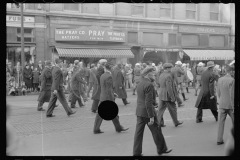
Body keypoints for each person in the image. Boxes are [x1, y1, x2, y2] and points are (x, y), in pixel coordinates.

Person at [133, 66, 172, 156]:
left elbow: (142, 98)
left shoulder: (140, 83)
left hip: (139, 111)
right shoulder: (149, 84)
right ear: (148, 74)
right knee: (156, 130)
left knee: (138, 133)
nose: (154, 75)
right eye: (153, 73)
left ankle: (136, 152)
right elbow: (148, 102)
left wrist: (154, 103)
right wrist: (151, 116)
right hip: (147, 112)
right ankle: (161, 149)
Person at [93, 61, 129, 134]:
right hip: (108, 97)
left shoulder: (102, 75)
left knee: (101, 114)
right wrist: (111, 98)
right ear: (111, 68)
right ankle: (118, 128)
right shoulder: (109, 76)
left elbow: (104, 87)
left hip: (103, 96)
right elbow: (109, 89)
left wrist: (113, 93)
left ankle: (96, 129)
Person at [157, 63, 184, 127]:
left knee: (160, 110)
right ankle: (176, 122)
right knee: (173, 109)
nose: (171, 69)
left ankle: (159, 123)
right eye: (170, 68)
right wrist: (172, 97)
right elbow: (169, 88)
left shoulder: (161, 74)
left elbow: (159, 83)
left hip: (161, 94)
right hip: (167, 95)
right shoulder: (168, 76)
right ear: (167, 68)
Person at [216, 65, 234, 145]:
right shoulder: (232, 80)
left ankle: (219, 139)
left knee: (221, 123)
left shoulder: (220, 80)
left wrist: (221, 99)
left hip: (222, 103)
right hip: (230, 105)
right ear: (230, 71)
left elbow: (218, 92)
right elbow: (232, 94)